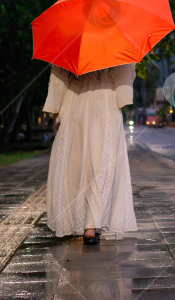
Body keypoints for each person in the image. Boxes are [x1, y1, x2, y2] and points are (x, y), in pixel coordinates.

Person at [43, 63, 138, 245]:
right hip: (104, 103)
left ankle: (74, 219)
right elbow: (125, 78)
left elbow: (58, 77)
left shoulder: (70, 39)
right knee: (100, 166)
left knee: (76, 165)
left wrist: (55, 112)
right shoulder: (115, 41)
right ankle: (91, 225)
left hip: (74, 103)